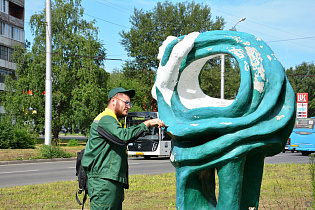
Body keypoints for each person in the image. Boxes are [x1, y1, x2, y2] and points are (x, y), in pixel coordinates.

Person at [81, 87, 165, 210]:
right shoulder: (105, 119)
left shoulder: (113, 121)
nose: (129, 106)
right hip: (104, 182)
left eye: (129, 103)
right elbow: (123, 137)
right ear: (114, 101)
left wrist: (120, 185)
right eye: (126, 102)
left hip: (111, 182)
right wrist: (147, 123)